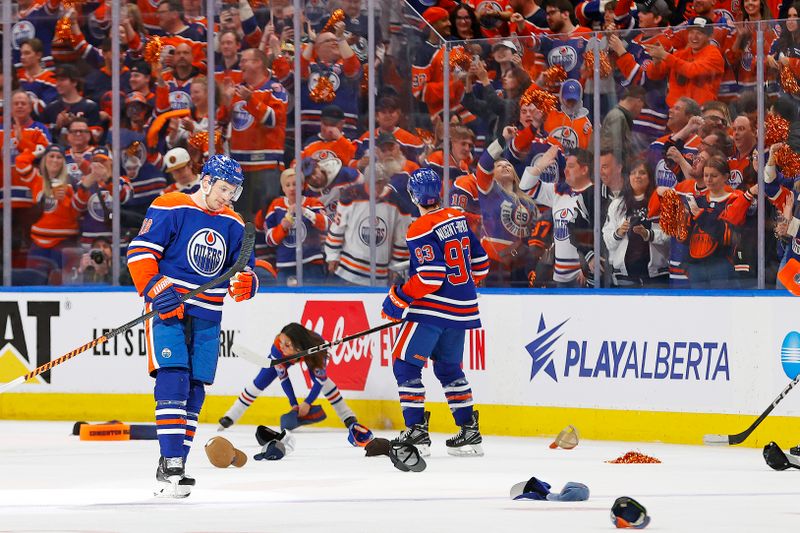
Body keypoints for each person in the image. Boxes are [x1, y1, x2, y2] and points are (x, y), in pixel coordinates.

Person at [126, 154, 258, 498]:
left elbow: (242, 271)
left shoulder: (235, 223)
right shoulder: (170, 205)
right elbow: (139, 252)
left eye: (234, 192)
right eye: (224, 189)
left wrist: (248, 285)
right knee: (174, 375)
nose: (228, 197)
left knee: (196, 388)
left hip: (209, 314)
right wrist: (155, 289)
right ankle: (171, 459)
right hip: (169, 309)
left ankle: (176, 464)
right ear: (207, 181)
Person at [381, 167, 490, 457]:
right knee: (448, 368)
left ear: (413, 196)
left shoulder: (419, 228)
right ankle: (469, 432)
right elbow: (481, 265)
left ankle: (416, 432)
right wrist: (459, 288)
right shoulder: (458, 217)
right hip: (463, 309)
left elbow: (430, 276)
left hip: (432, 310)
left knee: (405, 365)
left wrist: (399, 298)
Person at [218, 323, 373, 447]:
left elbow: (320, 380)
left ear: (298, 346)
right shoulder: (278, 349)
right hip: (285, 360)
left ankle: (348, 418)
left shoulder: (317, 346)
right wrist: (294, 404)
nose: (282, 346)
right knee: (260, 381)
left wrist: (307, 403)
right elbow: (284, 378)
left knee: (325, 382)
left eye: (287, 344)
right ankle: (231, 416)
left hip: (309, 354)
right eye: (281, 341)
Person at [602, 160, 669, 287]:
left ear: (650, 177)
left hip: (656, 277)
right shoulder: (617, 204)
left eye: (642, 173)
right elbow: (607, 240)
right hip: (625, 277)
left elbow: (670, 235)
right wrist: (618, 233)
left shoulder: (662, 202)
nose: (637, 176)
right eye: (633, 173)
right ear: (629, 177)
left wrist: (649, 234)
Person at [264, 168, 328, 285]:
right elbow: (270, 240)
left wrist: (304, 211)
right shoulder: (276, 206)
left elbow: (326, 225)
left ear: (303, 186)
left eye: (295, 184)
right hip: (286, 266)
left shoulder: (313, 203)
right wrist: (282, 228)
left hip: (312, 263)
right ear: (283, 188)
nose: (292, 188)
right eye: (287, 185)